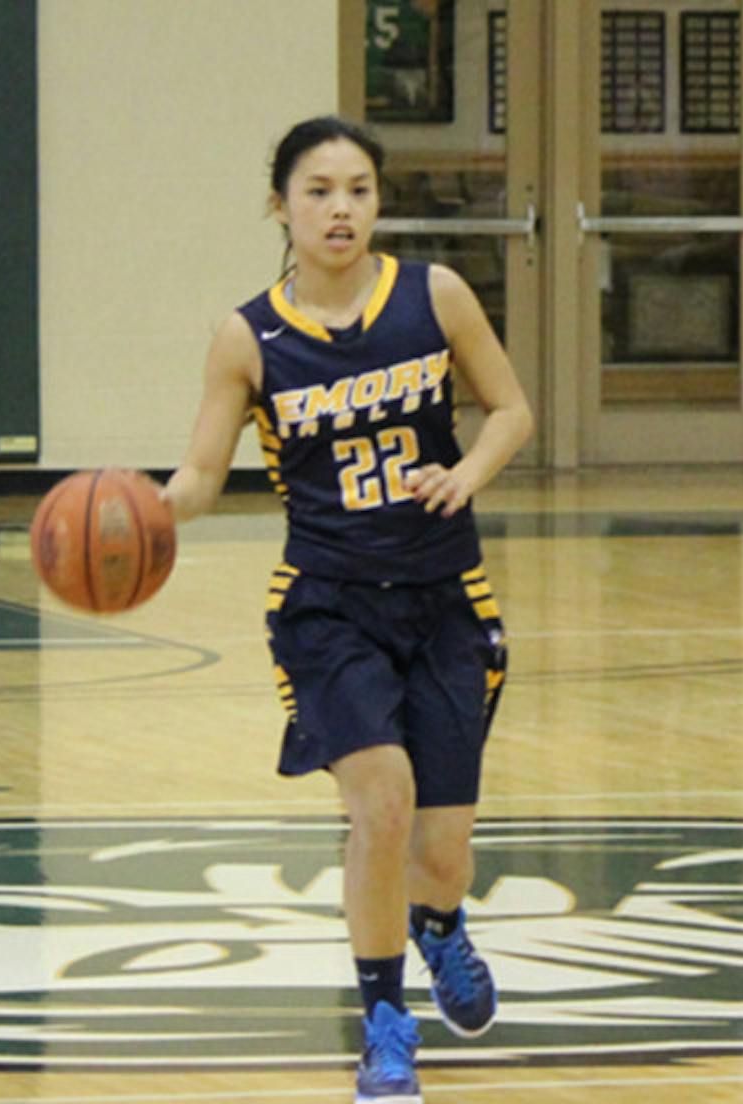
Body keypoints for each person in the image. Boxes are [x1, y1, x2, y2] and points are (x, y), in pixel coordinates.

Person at [162, 115, 533, 1104]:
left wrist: (466, 472)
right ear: (280, 205)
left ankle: (441, 924)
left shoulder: (433, 296)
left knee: (441, 853)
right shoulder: (249, 336)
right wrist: (150, 510)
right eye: (319, 190)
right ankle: (383, 1022)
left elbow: (510, 409)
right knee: (381, 803)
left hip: (448, 598)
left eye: (359, 189)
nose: (341, 208)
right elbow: (203, 471)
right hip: (326, 606)